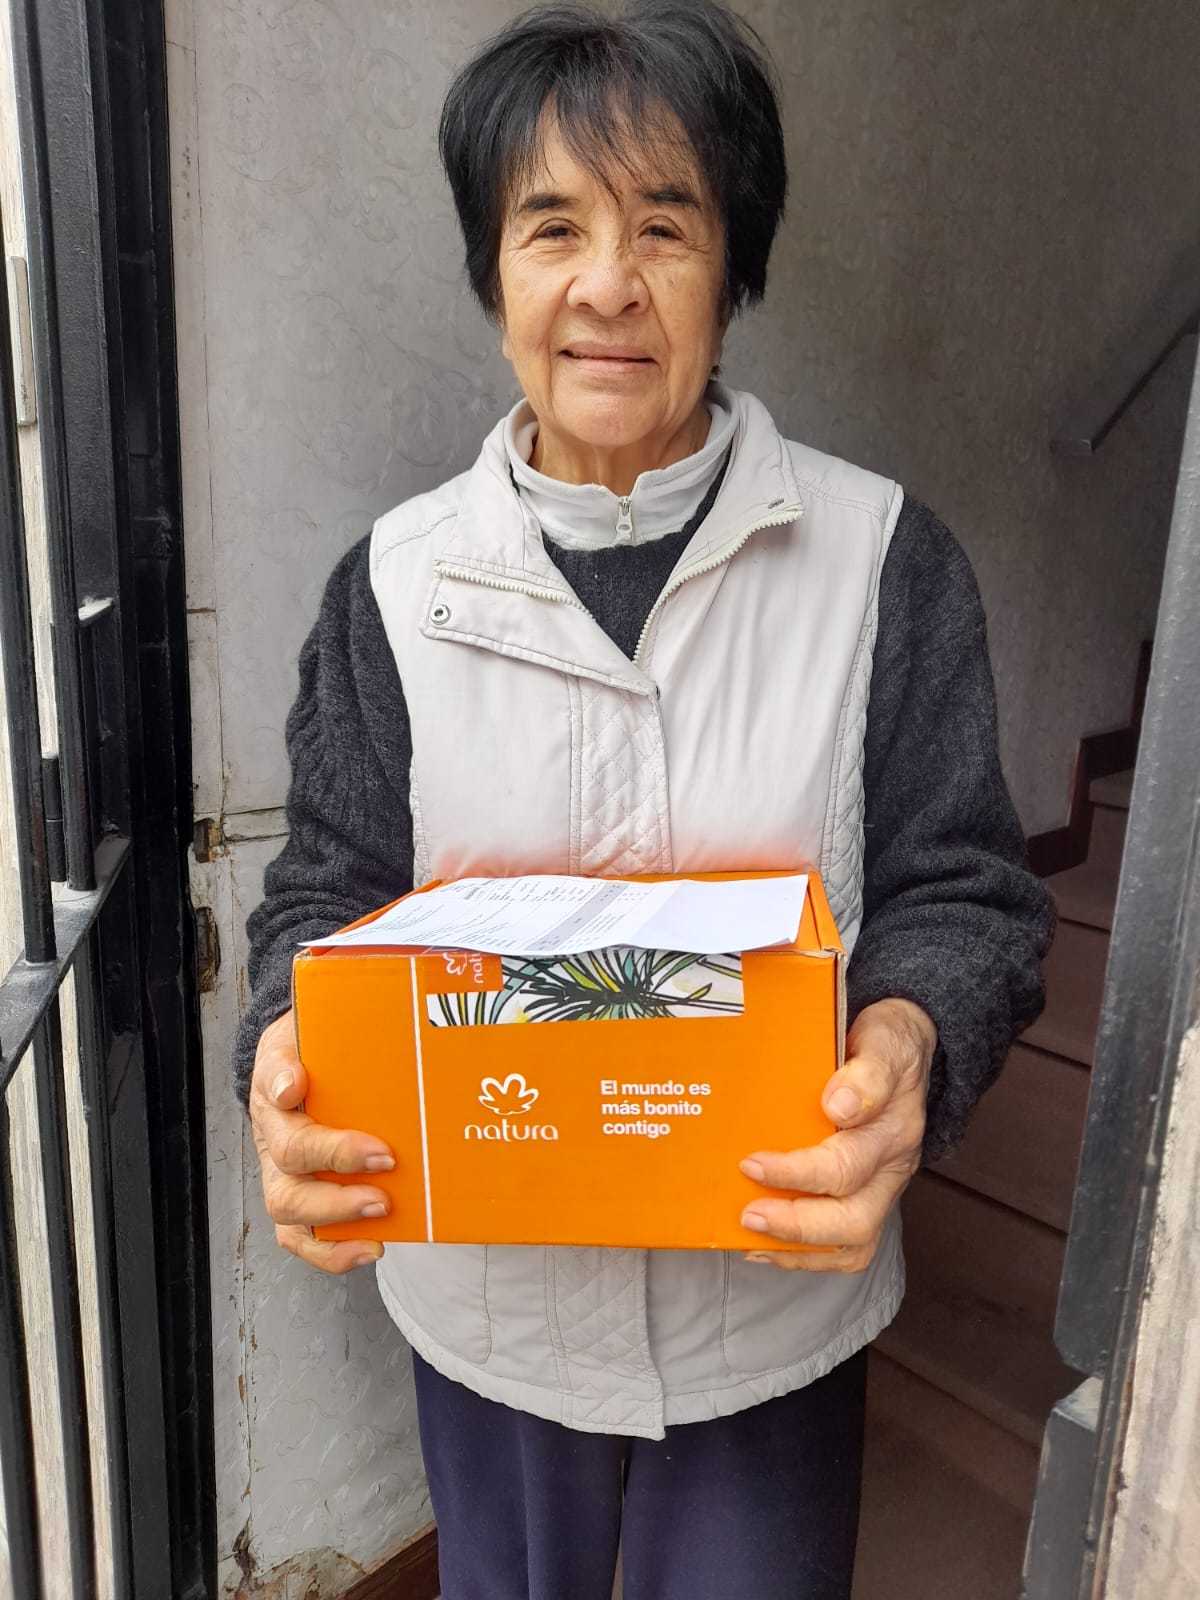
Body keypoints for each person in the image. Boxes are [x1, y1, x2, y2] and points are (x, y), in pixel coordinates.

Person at [237, 3, 1054, 1595]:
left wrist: (909, 1037)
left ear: (731, 270)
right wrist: (284, 1047)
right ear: (494, 274)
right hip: (490, 1304)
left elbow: (963, 889)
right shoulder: (392, 588)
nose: (607, 284)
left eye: (664, 227)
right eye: (552, 227)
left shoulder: (882, 561)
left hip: (774, 1298)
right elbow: (325, 890)